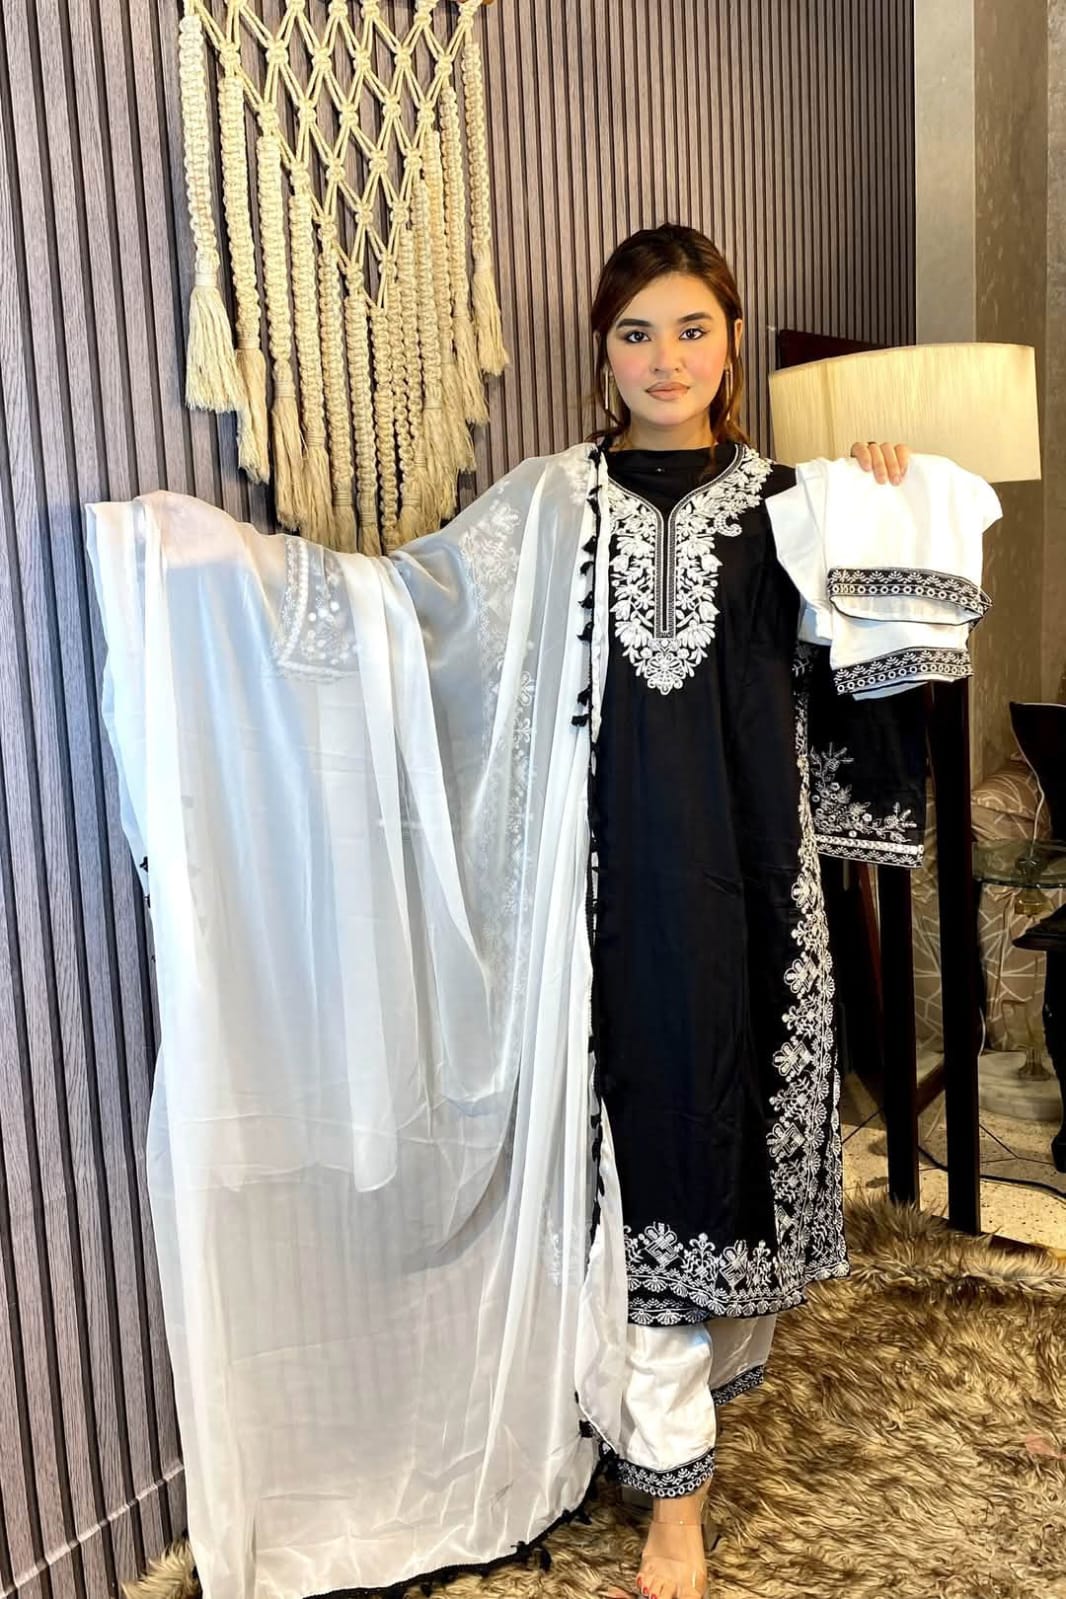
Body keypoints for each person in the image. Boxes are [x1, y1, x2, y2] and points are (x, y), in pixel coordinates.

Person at [90, 224, 1005, 1599]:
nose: (664, 360)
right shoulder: (549, 503)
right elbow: (412, 611)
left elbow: (866, 690)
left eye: (691, 329)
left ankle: (668, 1467)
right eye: (635, 334)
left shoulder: (796, 506)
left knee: (706, 1159)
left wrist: (886, 507)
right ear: (602, 354)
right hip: (581, 909)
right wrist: (223, 570)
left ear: (731, 342)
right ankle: (640, 1462)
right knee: (624, 1161)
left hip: (744, 899)